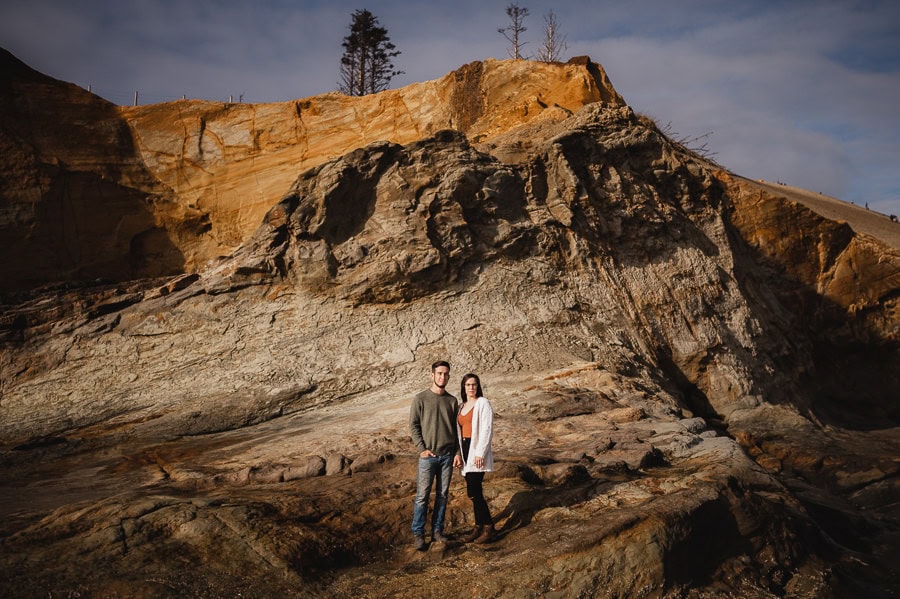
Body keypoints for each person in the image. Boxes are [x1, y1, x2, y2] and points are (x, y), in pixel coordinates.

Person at [409, 360, 463, 550]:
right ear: (432, 375)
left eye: (446, 374)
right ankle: (418, 534)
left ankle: (437, 532)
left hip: (447, 456)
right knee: (422, 496)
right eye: (439, 373)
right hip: (428, 457)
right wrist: (421, 448)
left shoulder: (452, 401)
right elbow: (413, 425)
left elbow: (457, 430)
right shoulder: (420, 399)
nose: (443, 377)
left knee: (442, 495)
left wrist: (457, 453)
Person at [456, 373, 497, 544]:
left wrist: (480, 452)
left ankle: (488, 527)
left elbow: (487, 429)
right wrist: (458, 453)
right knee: (472, 492)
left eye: (474, 384)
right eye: (468, 385)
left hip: (476, 449)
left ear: (478, 386)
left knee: (475, 492)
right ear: (463, 387)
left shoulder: (483, 403)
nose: (471, 387)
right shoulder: (461, 406)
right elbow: (458, 431)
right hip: (465, 450)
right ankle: (478, 527)